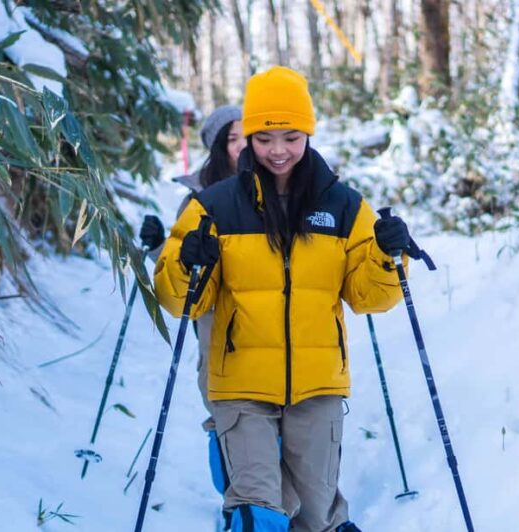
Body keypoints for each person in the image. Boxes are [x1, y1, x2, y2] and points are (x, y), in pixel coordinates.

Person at [154, 66, 411, 532]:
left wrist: (387, 256)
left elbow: (368, 297)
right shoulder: (212, 206)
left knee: (316, 517)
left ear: (308, 134)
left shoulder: (344, 207)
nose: (278, 151)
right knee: (259, 512)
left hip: (317, 387)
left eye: (291, 137)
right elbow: (182, 303)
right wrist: (188, 263)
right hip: (240, 387)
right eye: (264, 138)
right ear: (248, 137)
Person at [139, 105, 246, 523]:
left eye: (247, 136)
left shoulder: (282, 188)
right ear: (218, 148)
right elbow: (180, 267)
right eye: (232, 139)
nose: (243, 146)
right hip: (217, 325)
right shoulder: (198, 200)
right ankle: (236, 504)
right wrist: (155, 247)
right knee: (224, 412)